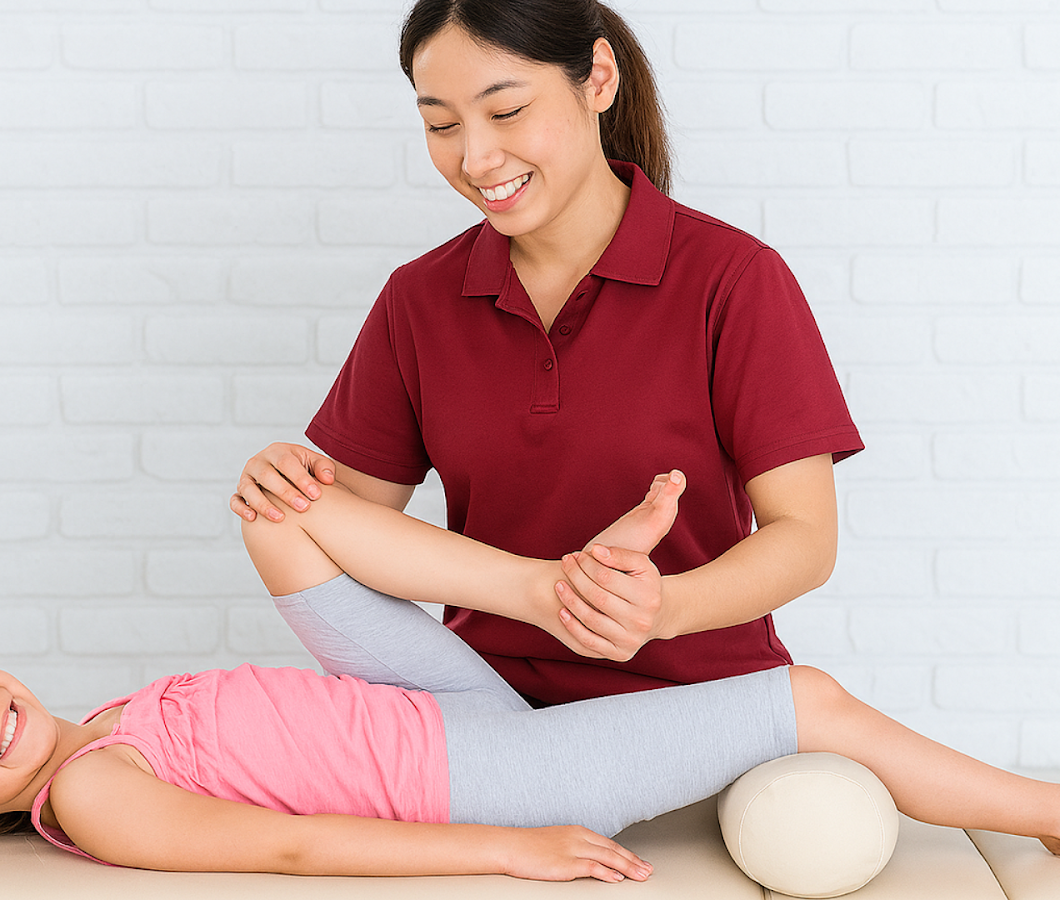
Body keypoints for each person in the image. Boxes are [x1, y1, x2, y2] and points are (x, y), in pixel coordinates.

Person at [0, 469, 1060, 881]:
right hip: (478, 773)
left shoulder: (98, 729)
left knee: (280, 510)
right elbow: (292, 845)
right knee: (804, 703)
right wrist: (510, 847)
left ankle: (561, 583)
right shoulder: (97, 796)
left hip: (431, 711)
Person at [230, 0, 865, 706]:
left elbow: (805, 537)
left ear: (598, 79)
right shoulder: (418, 300)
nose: (475, 159)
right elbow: (341, 532)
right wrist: (286, 482)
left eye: (506, 112)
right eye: (441, 125)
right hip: (486, 707)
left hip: (698, 700)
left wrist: (662, 609)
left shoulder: (733, 279)